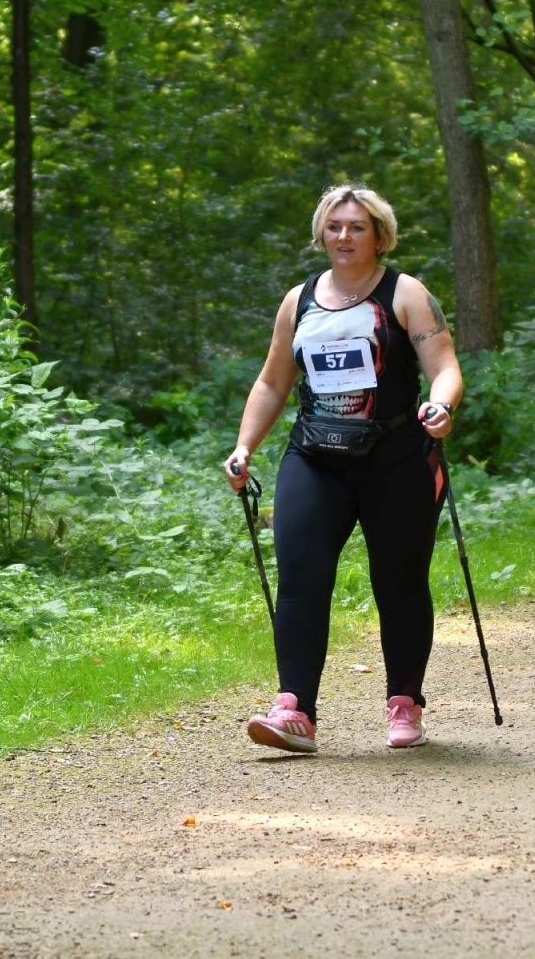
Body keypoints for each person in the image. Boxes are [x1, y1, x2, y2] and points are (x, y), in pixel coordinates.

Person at [222, 184, 464, 754]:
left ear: (380, 235)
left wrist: (441, 408)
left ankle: (404, 702)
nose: (344, 236)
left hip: (397, 458)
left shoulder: (405, 293)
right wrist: (244, 447)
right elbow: (272, 382)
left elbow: (445, 366)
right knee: (301, 577)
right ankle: (294, 711)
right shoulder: (298, 301)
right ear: (320, 235)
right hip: (316, 457)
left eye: (357, 226)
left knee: (399, 582)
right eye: (334, 226)